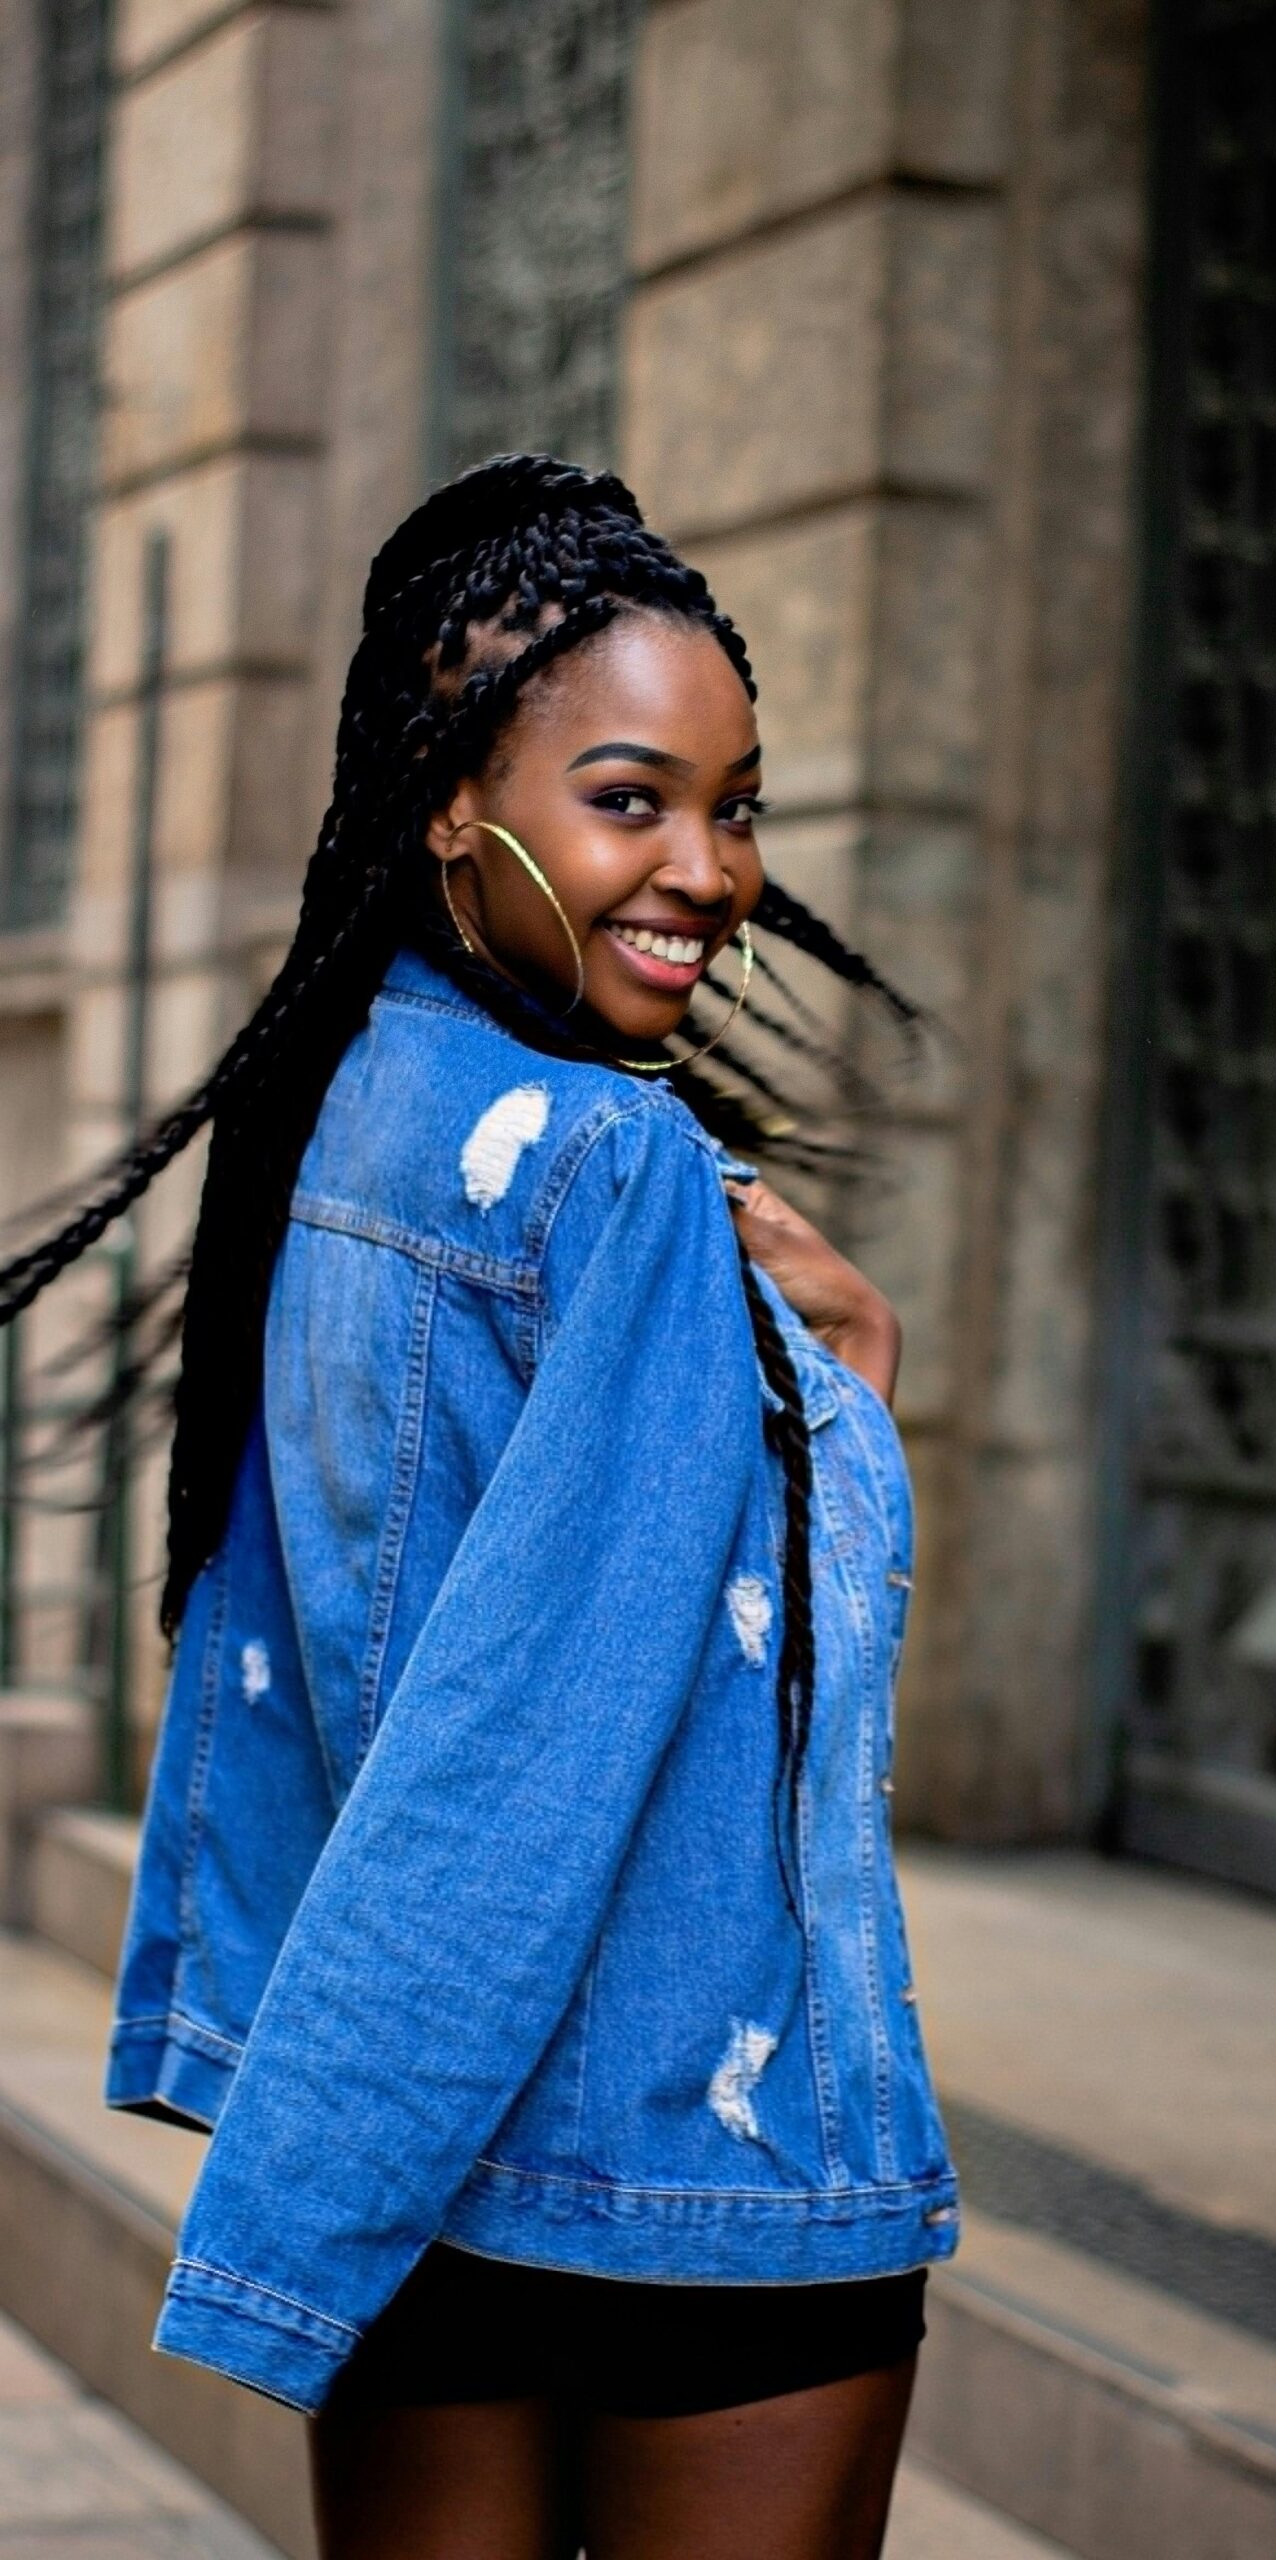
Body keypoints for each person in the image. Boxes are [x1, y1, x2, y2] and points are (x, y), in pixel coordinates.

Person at [0, 456, 957, 2558]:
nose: (704, 869)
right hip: (704, 2163)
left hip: (429, 2165)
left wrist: (323, 2171)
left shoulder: (337, 1104)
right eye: (629, 799)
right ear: (453, 800)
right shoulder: (615, 1167)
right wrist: (854, 1404)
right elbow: (541, 1729)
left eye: (736, 806)